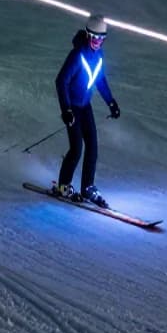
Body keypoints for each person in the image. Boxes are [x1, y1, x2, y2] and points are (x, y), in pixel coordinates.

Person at [53, 14, 120, 207]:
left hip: (85, 107)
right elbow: (61, 81)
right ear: (88, 35)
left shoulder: (98, 56)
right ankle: (63, 186)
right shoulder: (77, 55)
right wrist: (66, 110)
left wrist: (111, 102)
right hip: (73, 107)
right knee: (76, 149)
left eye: (101, 38)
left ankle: (87, 187)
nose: (98, 42)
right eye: (94, 37)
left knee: (93, 147)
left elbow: (99, 80)